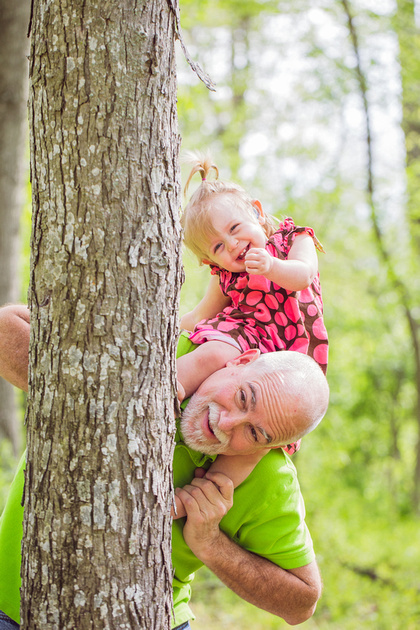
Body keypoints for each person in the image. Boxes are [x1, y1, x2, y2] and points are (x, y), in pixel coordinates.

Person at [0, 304, 329, 629]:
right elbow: (6, 327)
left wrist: (210, 543)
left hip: (147, 621)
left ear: (270, 447)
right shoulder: (174, 354)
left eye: (254, 432)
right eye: (244, 397)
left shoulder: (268, 477)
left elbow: (302, 603)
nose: (226, 423)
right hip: (12, 606)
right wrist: (111, 394)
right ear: (241, 361)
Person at [175, 154, 328, 512]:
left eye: (234, 229)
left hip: (287, 354)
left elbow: (304, 274)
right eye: (217, 248)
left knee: (253, 448)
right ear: (209, 262)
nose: (232, 245)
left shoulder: (293, 239)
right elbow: (201, 316)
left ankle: (201, 496)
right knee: (215, 354)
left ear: (257, 212)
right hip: (245, 334)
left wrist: (273, 266)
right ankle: (167, 387)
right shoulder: (226, 275)